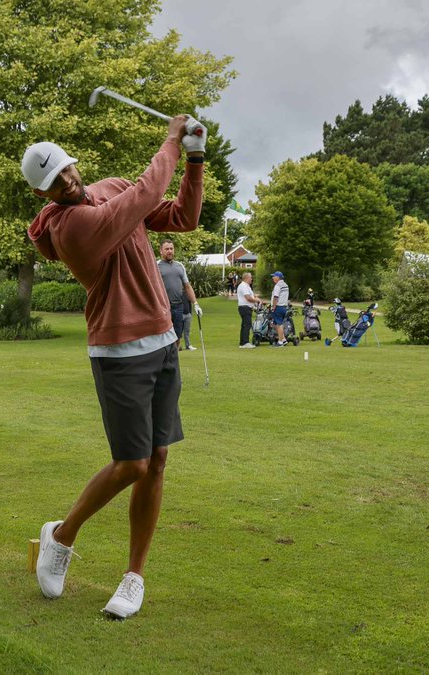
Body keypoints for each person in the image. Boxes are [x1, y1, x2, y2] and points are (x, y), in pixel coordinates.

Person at [23, 112, 206, 619]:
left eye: (66, 168)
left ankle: (134, 576)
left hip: (164, 342)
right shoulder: (71, 228)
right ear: (44, 195)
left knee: (158, 461)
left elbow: (182, 218)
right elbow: (146, 196)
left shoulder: (113, 188)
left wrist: (194, 160)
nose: (67, 180)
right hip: (118, 353)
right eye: (54, 181)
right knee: (132, 463)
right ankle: (61, 535)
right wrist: (171, 141)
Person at [157, 240, 201, 351]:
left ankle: (174, 359)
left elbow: (187, 286)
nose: (169, 251)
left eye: (171, 249)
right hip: (163, 307)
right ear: (161, 251)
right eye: (166, 249)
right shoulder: (155, 266)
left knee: (177, 334)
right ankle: (163, 360)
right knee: (163, 335)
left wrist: (195, 304)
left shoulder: (179, 266)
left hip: (178, 306)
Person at [236, 272, 266, 348]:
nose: (251, 279)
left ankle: (242, 343)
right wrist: (257, 300)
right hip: (245, 307)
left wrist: (256, 299)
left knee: (244, 325)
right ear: (246, 278)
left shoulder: (246, 286)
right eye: (250, 278)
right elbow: (248, 298)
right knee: (247, 325)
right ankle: (245, 342)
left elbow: (251, 296)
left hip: (245, 307)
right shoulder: (243, 286)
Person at [269, 271, 291, 346]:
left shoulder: (278, 286)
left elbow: (276, 297)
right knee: (275, 324)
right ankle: (284, 339)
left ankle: (280, 342)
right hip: (284, 307)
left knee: (279, 324)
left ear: (277, 277)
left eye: (274, 276)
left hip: (278, 306)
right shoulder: (285, 285)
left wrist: (273, 307)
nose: (273, 278)